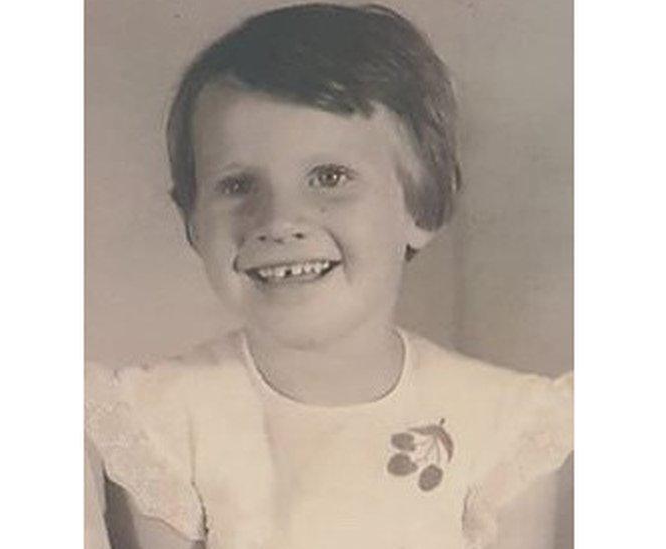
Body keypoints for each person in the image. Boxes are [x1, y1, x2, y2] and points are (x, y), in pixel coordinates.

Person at [85, 4, 572, 548]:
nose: (278, 221)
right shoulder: (161, 417)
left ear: (422, 206)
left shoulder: (504, 424)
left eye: (329, 176)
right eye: (238, 184)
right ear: (192, 222)